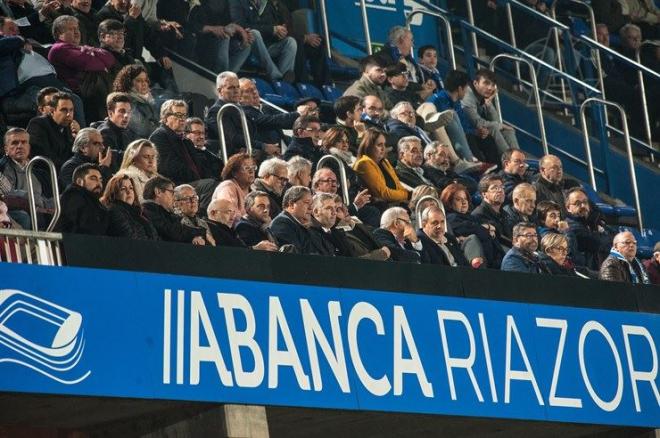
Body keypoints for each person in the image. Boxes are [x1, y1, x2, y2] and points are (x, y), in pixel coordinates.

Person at [47, 15, 115, 121]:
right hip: (80, 93)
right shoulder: (59, 49)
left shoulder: (80, 48)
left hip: (91, 92)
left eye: (77, 28)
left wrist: (93, 51)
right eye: (71, 29)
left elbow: (110, 59)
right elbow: (91, 64)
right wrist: (93, 54)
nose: (77, 32)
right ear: (58, 33)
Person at [206, 71, 280, 158]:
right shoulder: (216, 111)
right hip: (231, 161)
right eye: (231, 88)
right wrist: (263, 146)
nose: (237, 91)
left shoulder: (238, 108)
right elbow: (233, 138)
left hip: (248, 155)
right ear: (220, 91)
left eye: (238, 87)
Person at [228, 0, 296, 81]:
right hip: (243, 43)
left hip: (265, 45)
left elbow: (266, 26)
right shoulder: (237, 2)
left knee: (290, 42)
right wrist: (272, 29)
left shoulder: (264, 4)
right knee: (254, 33)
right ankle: (276, 76)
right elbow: (240, 25)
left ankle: (283, 82)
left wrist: (279, 33)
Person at [150, 99, 213, 186]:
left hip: (194, 182)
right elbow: (170, 167)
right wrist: (198, 179)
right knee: (211, 185)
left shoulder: (185, 140)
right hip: (176, 185)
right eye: (178, 115)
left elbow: (198, 165)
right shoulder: (159, 136)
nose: (182, 119)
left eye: (184, 115)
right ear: (165, 118)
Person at [441, 182, 504, 268]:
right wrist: (486, 228)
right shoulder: (451, 218)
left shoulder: (469, 216)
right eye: (458, 199)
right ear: (449, 202)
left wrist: (488, 226)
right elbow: (475, 230)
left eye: (465, 199)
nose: (464, 202)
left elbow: (493, 226)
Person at [0, 128, 53, 229]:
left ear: (29, 147)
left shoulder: (42, 173)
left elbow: (50, 197)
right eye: (15, 143)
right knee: (24, 216)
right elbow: (7, 196)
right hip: (13, 211)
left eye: (24, 142)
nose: (20, 146)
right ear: (6, 149)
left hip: (42, 210)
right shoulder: (1, 169)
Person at [461, 69, 519, 159]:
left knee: (508, 131)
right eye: (486, 83)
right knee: (494, 128)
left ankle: (518, 158)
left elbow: (496, 120)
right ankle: (511, 160)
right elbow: (477, 122)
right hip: (469, 132)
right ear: (475, 83)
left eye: (492, 85)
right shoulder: (468, 94)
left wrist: (488, 104)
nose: (490, 88)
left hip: (479, 130)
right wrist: (498, 125)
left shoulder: (483, 96)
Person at [187, 0, 252, 73]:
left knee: (246, 46)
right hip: (201, 40)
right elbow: (190, 25)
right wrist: (212, 29)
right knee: (224, 38)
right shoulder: (198, 3)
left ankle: (227, 77)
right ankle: (221, 77)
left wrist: (241, 31)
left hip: (219, 40)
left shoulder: (223, 2)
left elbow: (227, 25)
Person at [141, 175, 206, 243]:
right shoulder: (147, 210)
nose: (174, 198)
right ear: (158, 192)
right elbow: (173, 231)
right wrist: (201, 232)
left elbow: (180, 229)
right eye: (171, 192)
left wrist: (196, 236)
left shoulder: (164, 212)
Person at [353, 128, 410, 206]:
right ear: (368, 146)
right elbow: (383, 194)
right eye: (379, 145)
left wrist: (408, 196)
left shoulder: (384, 162)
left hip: (395, 203)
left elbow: (398, 186)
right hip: (379, 206)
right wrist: (407, 195)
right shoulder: (364, 163)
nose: (383, 148)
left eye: (384, 144)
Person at [238, 78, 299, 149]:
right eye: (248, 91)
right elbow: (272, 121)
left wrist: (304, 118)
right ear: (240, 98)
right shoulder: (243, 112)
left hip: (283, 146)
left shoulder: (266, 107)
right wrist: (298, 113)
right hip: (264, 153)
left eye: (255, 88)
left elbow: (285, 121)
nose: (254, 92)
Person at [26, 91, 75, 175]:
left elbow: (73, 153)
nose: (68, 114)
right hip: (43, 175)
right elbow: (44, 156)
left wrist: (77, 135)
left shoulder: (68, 126)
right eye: (64, 110)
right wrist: (70, 168)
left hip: (63, 173)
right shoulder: (38, 124)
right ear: (52, 111)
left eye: (71, 110)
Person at [564, 187, 612, 270]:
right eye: (577, 203)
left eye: (585, 202)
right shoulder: (570, 225)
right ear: (568, 208)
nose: (583, 206)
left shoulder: (592, 221)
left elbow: (613, 238)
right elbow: (598, 243)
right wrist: (604, 235)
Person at [54, 163, 109, 234]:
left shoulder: (92, 200)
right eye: (93, 179)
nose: (99, 184)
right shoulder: (74, 196)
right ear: (79, 182)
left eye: (100, 180)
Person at [100, 172, 158, 239]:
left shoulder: (140, 212)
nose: (128, 192)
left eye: (131, 188)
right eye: (123, 188)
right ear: (114, 194)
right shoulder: (113, 211)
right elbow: (130, 237)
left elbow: (155, 236)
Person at [111, 64, 160, 138]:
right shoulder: (126, 102)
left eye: (145, 80)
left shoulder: (148, 98)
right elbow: (143, 129)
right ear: (128, 83)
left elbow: (158, 120)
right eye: (139, 81)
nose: (144, 84)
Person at [211, 152, 255, 225]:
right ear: (234, 173)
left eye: (253, 167)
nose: (251, 171)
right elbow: (231, 214)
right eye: (246, 168)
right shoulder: (227, 186)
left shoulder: (253, 189)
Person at [269, 185, 315, 253]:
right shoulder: (281, 224)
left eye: (311, 204)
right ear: (291, 204)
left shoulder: (302, 225)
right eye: (307, 203)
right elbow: (294, 256)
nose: (311, 208)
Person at [472, 174, 510, 247]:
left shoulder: (504, 213)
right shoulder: (478, 215)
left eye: (501, 187)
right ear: (484, 194)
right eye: (495, 188)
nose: (500, 190)